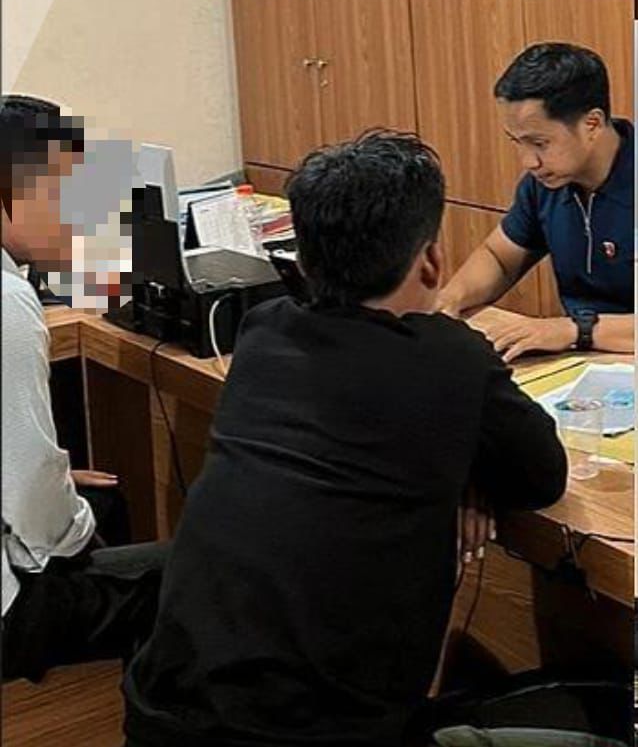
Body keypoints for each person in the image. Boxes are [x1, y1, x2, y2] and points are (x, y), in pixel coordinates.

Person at [123, 130, 567, 747]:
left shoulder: (263, 331)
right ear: (432, 261)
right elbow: (542, 475)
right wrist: (471, 465)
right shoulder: (451, 361)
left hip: (159, 717)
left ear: (302, 262)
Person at [1, 94, 165, 683]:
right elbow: (34, 507)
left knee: (100, 499)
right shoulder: (7, 304)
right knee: (186, 576)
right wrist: (73, 519)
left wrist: (58, 483)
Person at [439, 43, 633, 362]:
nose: (528, 161)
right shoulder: (545, 183)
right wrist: (450, 300)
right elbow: (500, 258)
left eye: (539, 143)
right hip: (583, 362)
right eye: (517, 142)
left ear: (592, 124)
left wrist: (574, 330)